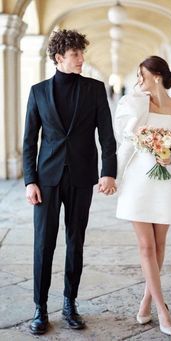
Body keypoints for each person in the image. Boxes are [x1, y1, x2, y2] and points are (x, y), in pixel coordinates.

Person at [23, 29, 117, 335]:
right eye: (75, 54)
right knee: (43, 245)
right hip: (47, 180)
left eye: (81, 53)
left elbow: (106, 135)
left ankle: (69, 304)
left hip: (81, 177)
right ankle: (40, 308)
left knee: (75, 242)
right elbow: (29, 141)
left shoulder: (94, 89)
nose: (81, 59)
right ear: (59, 58)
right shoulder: (37, 92)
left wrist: (108, 171)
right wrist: (29, 180)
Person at [114, 56, 171, 336]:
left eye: (142, 75)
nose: (139, 81)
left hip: (165, 182)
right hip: (138, 181)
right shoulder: (137, 105)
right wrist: (112, 177)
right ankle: (163, 309)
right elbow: (126, 147)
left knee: (160, 245)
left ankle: (146, 300)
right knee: (146, 247)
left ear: (157, 75)